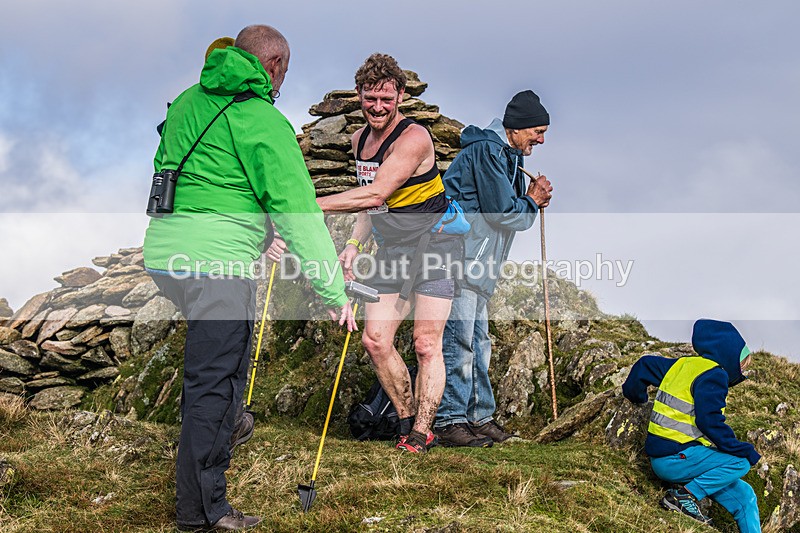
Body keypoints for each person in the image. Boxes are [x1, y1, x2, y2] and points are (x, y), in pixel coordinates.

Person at [143, 25, 354, 531]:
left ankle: (228, 422)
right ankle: (202, 514)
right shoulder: (263, 120)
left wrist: (254, 231)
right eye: (285, 71)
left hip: (167, 257)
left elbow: (183, 173)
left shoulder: (186, 102)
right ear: (275, 64)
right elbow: (298, 212)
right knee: (213, 386)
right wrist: (333, 291)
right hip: (220, 266)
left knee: (220, 374)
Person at [316, 53, 462, 453]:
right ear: (359, 96)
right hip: (391, 250)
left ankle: (422, 433)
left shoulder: (414, 137)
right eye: (369, 99)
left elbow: (378, 191)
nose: (377, 108)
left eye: (386, 98)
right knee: (376, 339)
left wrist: (317, 204)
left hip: (437, 246)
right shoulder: (358, 141)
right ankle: (404, 419)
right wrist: (353, 243)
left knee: (425, 344)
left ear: (399, 95)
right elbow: (373, 205)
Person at [433, 91, 553, 447]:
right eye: (538, 130)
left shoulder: (504, 155)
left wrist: (527, 198)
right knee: (460, 341)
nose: (541, 139)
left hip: (479, 266)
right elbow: (503, 213)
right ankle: (450, 420)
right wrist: (532, 200)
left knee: (479, 342)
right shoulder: (487, 151)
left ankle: (478, 417)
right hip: (459, 261)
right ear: (516, 128)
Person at [622, 319, 761, 532]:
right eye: (742, 366)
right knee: (741, 463)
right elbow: (709, 421)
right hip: (676, 459)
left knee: (745, 496)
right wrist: (742, 449)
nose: (742, 373)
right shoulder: (715, 375)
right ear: (728, 355)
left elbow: (645, 364)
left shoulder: (682, 365)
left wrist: (637, 396)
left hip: (680, 458)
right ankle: (684, 498)